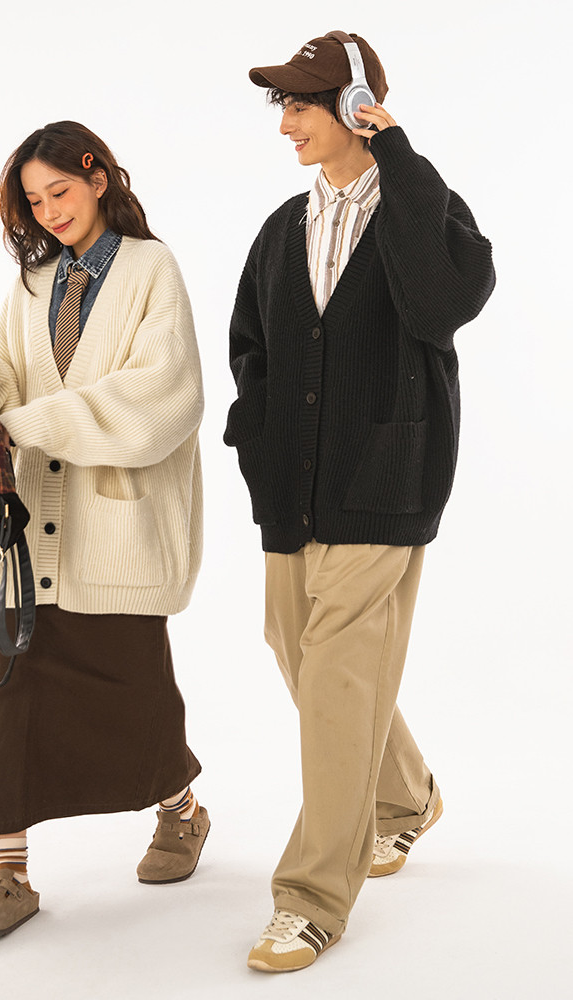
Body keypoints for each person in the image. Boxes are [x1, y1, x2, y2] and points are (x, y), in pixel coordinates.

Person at [224, 31, 495, 973]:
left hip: (386, 480)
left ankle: (309, 900)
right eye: (283, 105)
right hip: (292, 487)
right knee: (295, 647)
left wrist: (400, 152)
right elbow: (252, 350)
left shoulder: (425, 210)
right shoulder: (280, 229)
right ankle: (406, 796)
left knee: (338, 676)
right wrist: (257, 441)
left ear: (354, 107)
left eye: (303, 103)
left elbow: (446, 302)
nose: (287, 123)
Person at [0, 121, 208, 944]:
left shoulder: (151, 268)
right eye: (33, 200)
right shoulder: (30, 284)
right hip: (32, 534)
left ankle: (182, 813)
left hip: (118, 528)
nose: (49, 211)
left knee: (137, 695)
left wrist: (32, 421)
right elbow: (7, 378)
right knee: (14, 704)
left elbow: (164, 392)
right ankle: (9, 872)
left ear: (97, 178)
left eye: (59, 191)